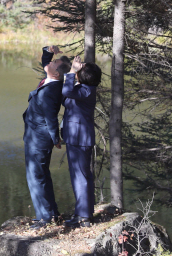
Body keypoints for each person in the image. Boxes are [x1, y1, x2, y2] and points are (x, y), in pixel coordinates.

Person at [23, 46, 71, 229]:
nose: (51, 62)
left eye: (55, 62)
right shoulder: (52, 79)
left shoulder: (52, 89)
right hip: (34, 134)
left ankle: (45, 218)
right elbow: (45, 63)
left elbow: (52, 117)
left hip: (39, 138)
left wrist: (55, 138)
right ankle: (50, 213)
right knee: (39, 175)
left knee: (37, 176)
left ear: (57, 73)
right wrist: (49, 51)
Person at [61, 56, 102, 228]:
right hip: (76, 137)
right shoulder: (82, 89)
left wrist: (72, 71)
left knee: (81, 177)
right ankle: (83, 212)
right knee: (81, 176)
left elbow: (66, 92)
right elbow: (65, 96)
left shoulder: (86, 90)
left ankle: (84, 216)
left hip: (79, 138)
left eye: (79, 71)